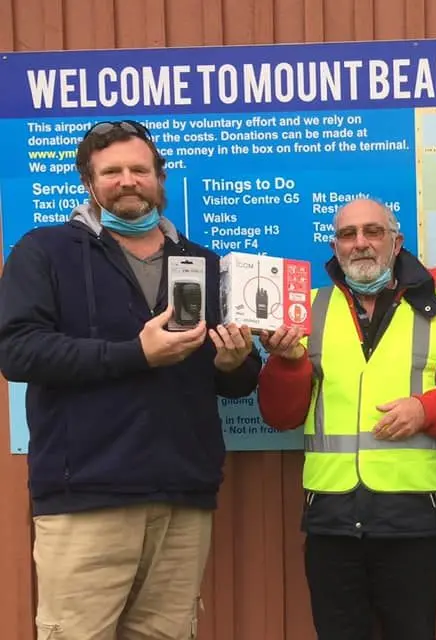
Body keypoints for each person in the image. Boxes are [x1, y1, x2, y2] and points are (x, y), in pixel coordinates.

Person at [0, 119, 262, 640]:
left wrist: (235, 365)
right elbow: (18, 351)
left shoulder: (201, 263)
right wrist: (134, 354)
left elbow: (235, 381)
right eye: (112, 171)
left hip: (182, 498)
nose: (127, 180)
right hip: (86, 498)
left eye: (139, 170)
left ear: (158, 178)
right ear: (89, 183)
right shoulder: (44, 250)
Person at [256, 198, 436, 640]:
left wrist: (426, 409)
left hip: (412, 515)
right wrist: (287, 363)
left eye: (373, 232)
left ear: (396, 241)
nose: (360, 244)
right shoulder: (307, 310)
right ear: (335, 246)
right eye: (348, 235)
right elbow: (280, 416)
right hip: (330, 516)